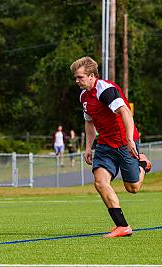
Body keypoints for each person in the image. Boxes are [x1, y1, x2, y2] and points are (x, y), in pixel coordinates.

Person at [70, 56, 152, 238]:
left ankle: (143, 165)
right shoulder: (83, 96)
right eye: (75, 77)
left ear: (92, 76)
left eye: (80, 77)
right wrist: (89, 147)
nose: (76, 81)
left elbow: (126, 113)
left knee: (133, 188)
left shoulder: (106, 90)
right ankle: (122, 226)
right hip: (105, 145)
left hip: (124, 143)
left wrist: (130, 140)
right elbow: (89, 123)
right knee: (100, 182)